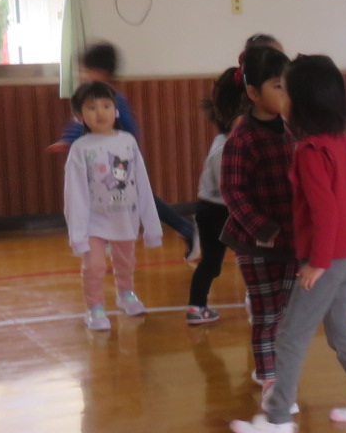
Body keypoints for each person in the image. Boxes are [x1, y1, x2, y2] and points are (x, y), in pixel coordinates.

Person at [232, 54, 346, 433]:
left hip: (329, 258)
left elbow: (325, 210)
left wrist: (317, 262)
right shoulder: (336, 140)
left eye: (286, 92)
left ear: (302, 103)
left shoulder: (309, 152)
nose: (281, 99)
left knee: (290, 335)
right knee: (341, 333)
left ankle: (278, 419)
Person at [59, 42, 199, 262]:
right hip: (105, 162)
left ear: (101, 72)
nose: (81, 75)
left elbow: (126, 128)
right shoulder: (94, 99)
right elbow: (80, 123)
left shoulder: (112, 99)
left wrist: (121, 151)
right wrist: (68, 139)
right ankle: (106, 238)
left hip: (118, 161)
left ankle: (187, 230)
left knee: (140, 198)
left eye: (85, 70)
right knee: (117, 197)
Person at [219, 44, 300, 388]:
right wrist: (261, 228)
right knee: (266, 314)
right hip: (256, 244)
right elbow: (232, 191)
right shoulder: (242, 138)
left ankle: (279, 373)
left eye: (287, 86)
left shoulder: (292, 130)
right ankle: (269, 381)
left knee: (287, 312)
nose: (285, 93)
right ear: (253, 92)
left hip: (291, 239)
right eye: (277, 86)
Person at [63, 80, 161, 331]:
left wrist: (151, 226)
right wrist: (77, 234)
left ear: (115, 110)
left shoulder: (127, 142)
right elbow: (75, 193)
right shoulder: (80, 149)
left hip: (125, 217)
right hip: (93, 221)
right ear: (79, 116)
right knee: (94, 266)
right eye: (91, 107)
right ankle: (94, 308)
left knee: (125, 261)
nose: (100, 112)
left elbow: (141, 183)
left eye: (106, 106)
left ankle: (125, 293)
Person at [185, 69, 245, 326]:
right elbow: (231, 187)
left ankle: (196, 307)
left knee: (212, 263)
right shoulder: (227, 147)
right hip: (221, 210)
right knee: (239, 259)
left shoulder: (223, 139)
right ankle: (197, 306)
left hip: (211, 210)